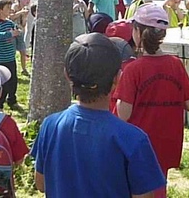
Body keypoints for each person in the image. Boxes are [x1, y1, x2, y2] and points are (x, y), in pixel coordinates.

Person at [31, 33, 166, 197]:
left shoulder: (50, 126)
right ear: (117, 78)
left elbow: (41, 183)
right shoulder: (133, 139)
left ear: (67, 75)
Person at [115, 4, 189, 185]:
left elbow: (123, 114)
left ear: (137, 31)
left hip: (139, 145)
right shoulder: (176, 64)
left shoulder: (133, 69)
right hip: (168, 141)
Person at [0, 0, 20, 109]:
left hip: (11, 57)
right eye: (7, 8)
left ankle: (12, 100)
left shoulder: (10, 23)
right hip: (1, 59)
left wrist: (18, 32)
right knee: (3, 83)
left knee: (13, 80)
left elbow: (16, 31)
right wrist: (9, 34)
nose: (10, 10)